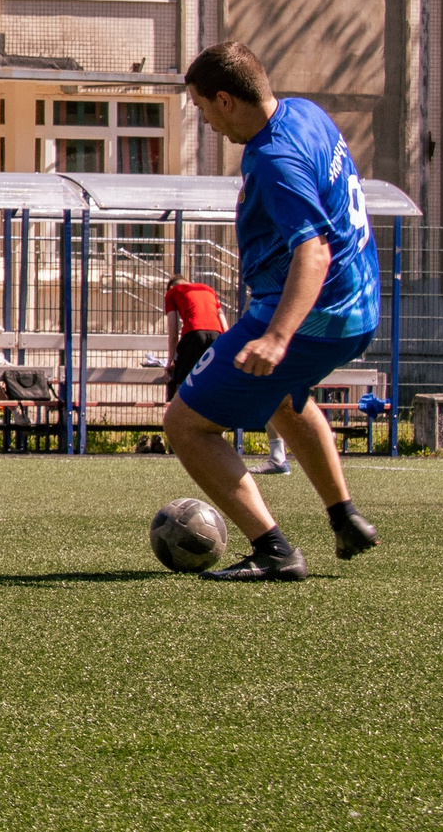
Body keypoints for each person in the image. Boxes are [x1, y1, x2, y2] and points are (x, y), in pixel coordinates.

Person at [164, 41, 382, 582]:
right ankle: (345, 517)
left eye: (202, 108)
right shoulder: (306, 113)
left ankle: (274, 550)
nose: (207, 123)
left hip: (311, 314)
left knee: (185, 424)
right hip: (359, 305)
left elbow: (313, 249)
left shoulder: (272, 158)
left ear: (225, 99)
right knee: (280, 398)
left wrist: (278, 335)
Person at [163, 273, 282, 470]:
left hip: (193, 335)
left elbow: (173, 330)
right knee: (212, 385)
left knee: (183, 388)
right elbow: (224, 325)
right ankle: (218, 435)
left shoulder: (173, 292)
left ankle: (182, 441)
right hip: (217, 335)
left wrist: (171, 360)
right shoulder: (207, 290)